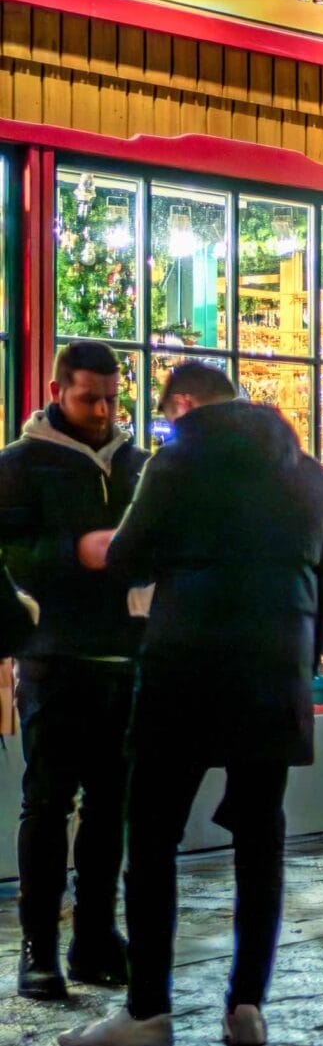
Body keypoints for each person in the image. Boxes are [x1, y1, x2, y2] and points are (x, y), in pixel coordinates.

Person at [60, 360, 323, 1046]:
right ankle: (247, 1007)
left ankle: (148, 1011)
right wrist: (300, 664)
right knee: (261, 839)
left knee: (153, 835)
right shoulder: (310, 474)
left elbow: (129, 559)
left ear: (183, 405)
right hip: (277, 671)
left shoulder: (178, 462)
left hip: (187, 665)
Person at [2, 341, 145, 1001]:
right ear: (58, 392)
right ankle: (38, 948)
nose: (104, 411)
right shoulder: (18, 464)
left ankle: (95, 935)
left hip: (127, 655)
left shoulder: (139, 464)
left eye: (113, 398)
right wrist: (75, 551)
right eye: (91, 398)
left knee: (111, 807)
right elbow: (9, 552)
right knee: (48, 803)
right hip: (53, 656)